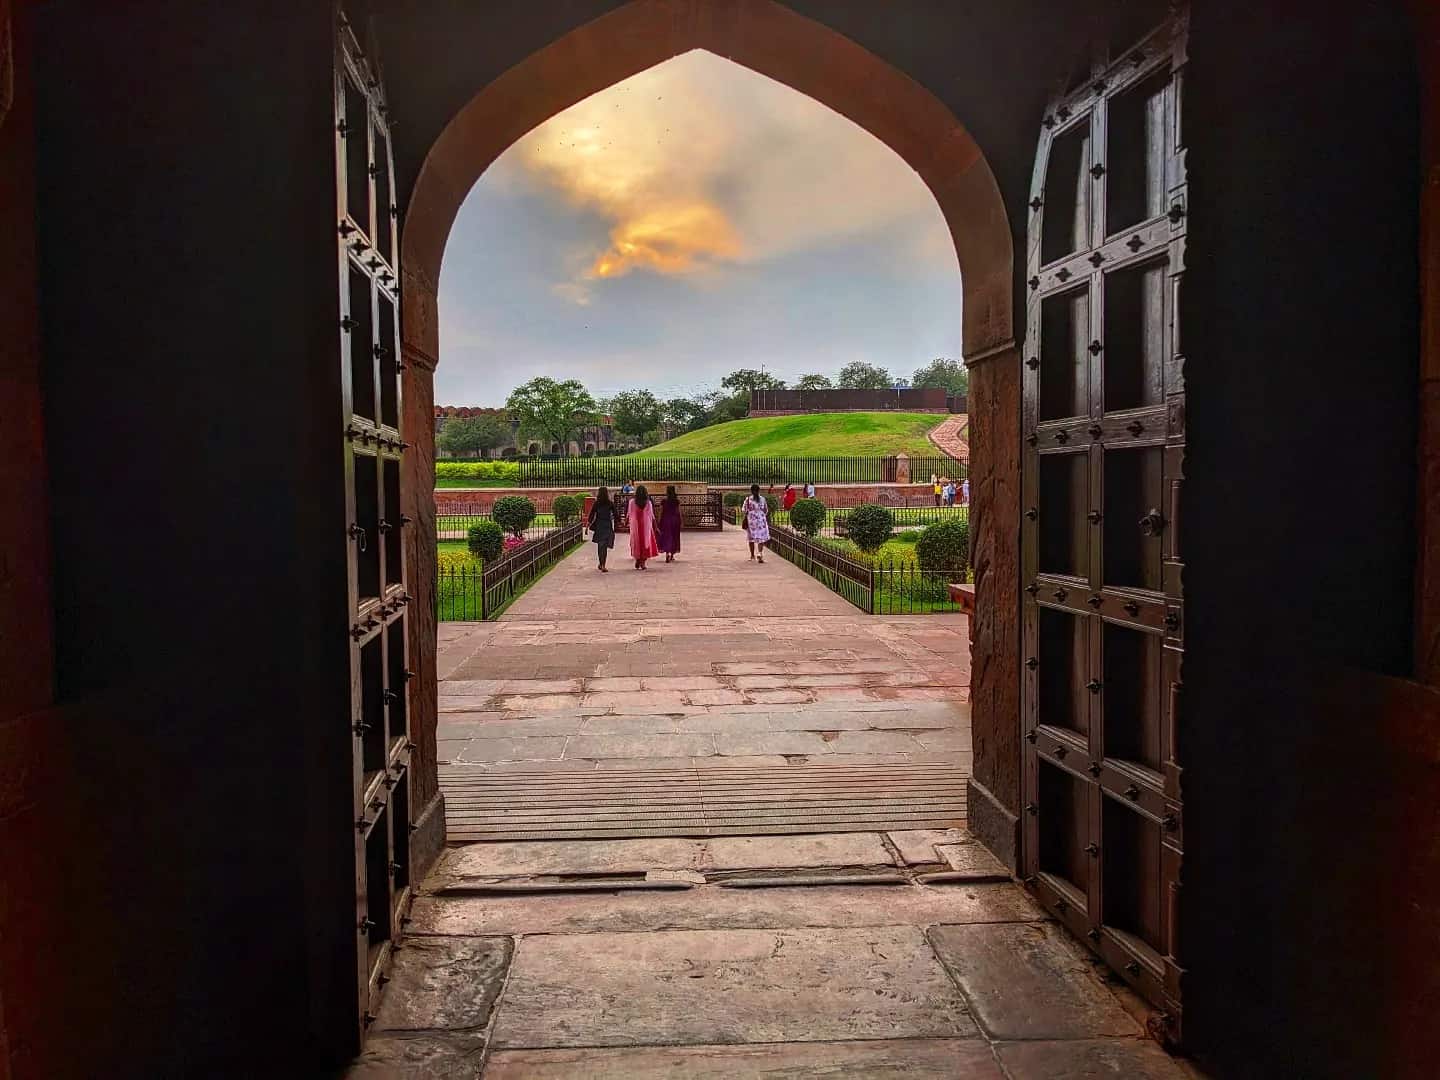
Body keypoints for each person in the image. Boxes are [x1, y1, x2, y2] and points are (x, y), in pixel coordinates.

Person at [586, 485, 621, 572]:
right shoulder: (609, 503)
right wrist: (621, 522)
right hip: (607, 525)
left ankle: (601, 563)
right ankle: (602, 564)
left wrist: (587, 526)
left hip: (599, 526)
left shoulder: (597, 503)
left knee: (600, 546)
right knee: (604, 546)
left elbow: (591, 515)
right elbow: (616, 515)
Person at [627, 483, 660, 570]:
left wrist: (626, 523)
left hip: (635, 526)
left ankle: (638, 559)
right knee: (646, 544)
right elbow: (652, 516)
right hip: (646, 526)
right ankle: (643, 562)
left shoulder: (632, 502)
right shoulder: (648, 503)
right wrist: (655, 527)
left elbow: (629, 514)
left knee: (637, 543)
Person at [742, 483, 771, 564]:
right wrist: (760, 515)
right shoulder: (763, 499)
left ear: (751, 491)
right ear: (759, 490)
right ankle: (760, 553)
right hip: (761, 521)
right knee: (760, 538)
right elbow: (766, 510)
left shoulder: (748, 499)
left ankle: (752, 556)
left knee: (751, 539)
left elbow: (744, 510)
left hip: (751, 521)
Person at [657, 484, 683, 563]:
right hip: (675, 520)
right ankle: (672, 555)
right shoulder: (676, 501)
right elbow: (679, 512)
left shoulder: (664, 501)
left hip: (666, 520)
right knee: (675, 536)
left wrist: (658, 520)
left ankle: (667, 553)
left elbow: (661, 512)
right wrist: (681, 521)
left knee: (667, 536)